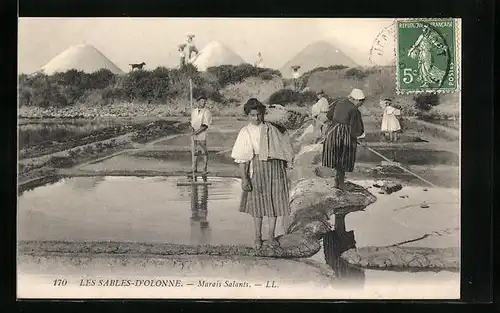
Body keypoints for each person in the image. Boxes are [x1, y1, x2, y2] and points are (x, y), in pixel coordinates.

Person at [231, 98, 295, 249]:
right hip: (258, 168)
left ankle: (271, 236)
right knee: (258, 205)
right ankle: (258, 237)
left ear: (263, 114)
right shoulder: (245, 132)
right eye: (253, 115)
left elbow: (285, 144)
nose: (256, 118)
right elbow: (243, 158)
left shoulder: (273, 128)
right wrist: (244, 178)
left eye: (259, 115)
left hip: (275, 167)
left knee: (275, 202)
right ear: (248, 115)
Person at [321, 88, 366, 189]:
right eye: (360, 103)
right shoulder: (354, 110)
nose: (360, 105)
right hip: (344, 135)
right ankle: (341, 184)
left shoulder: (338, 102)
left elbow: (329, 115)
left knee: (336, 157)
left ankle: (336, 181)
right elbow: (356, 128)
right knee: (344, 157)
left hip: (332, 133)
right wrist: (360, 137)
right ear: (357, 100)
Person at [190, 96, 212, 174]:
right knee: (195, 151)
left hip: (202, 134)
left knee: (203, 151)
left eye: (204, 101)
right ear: (198, 102)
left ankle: (204, 169)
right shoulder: (193, 111)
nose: (204, 103)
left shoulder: (207, 112)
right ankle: (194, 169)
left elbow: (205, 125)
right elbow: (192, 122)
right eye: (202, 101)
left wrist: (197, 132)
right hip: (194, 134)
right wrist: (193, 131)